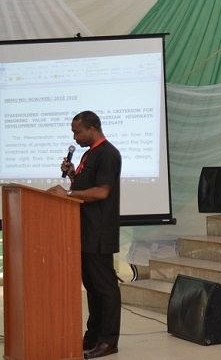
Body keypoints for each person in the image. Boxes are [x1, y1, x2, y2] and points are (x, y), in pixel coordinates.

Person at [48, 111, 122, 359]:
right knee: (92, 286)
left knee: (106, 288)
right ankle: (93, 336)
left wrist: (67, 195)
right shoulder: (89, 154)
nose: (75, 136)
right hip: (85, 229)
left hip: (99, 231)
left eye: (77, 131)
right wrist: (71, 175)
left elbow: (101, 193)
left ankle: (109, 341)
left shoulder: (108, 154)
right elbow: (84, 187)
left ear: (93, 128)